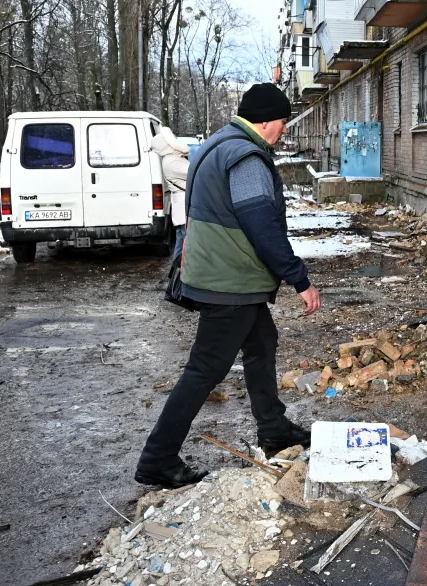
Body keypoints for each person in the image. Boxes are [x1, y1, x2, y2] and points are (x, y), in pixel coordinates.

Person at [135, 83, 322, 488]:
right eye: (283, 123)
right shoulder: (246, 156)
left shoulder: (218, 143)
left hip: (223, 271)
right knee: (205, 369)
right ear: (268, 120)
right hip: (229, 279)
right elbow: (262, 225)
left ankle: (273, 428)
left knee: (261, 343)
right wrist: (299, 279)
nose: (284, 132)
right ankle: (158, 458)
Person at [150, 126, 190, 260]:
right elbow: (196, 171)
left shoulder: (172, 159)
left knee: (182, 241)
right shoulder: (172, 161)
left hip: (182, 207)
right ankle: (178, 272)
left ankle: (177, 271)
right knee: (185, 242)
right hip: (183, 207)